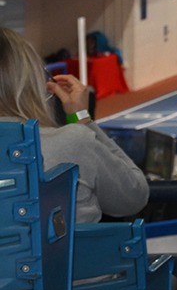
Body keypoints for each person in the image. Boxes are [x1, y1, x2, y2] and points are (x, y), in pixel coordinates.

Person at [0, 29, 148, 223]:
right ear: (32, 83)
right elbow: (134, 195)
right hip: (75, 254)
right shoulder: (73, 142)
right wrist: (81, 118)